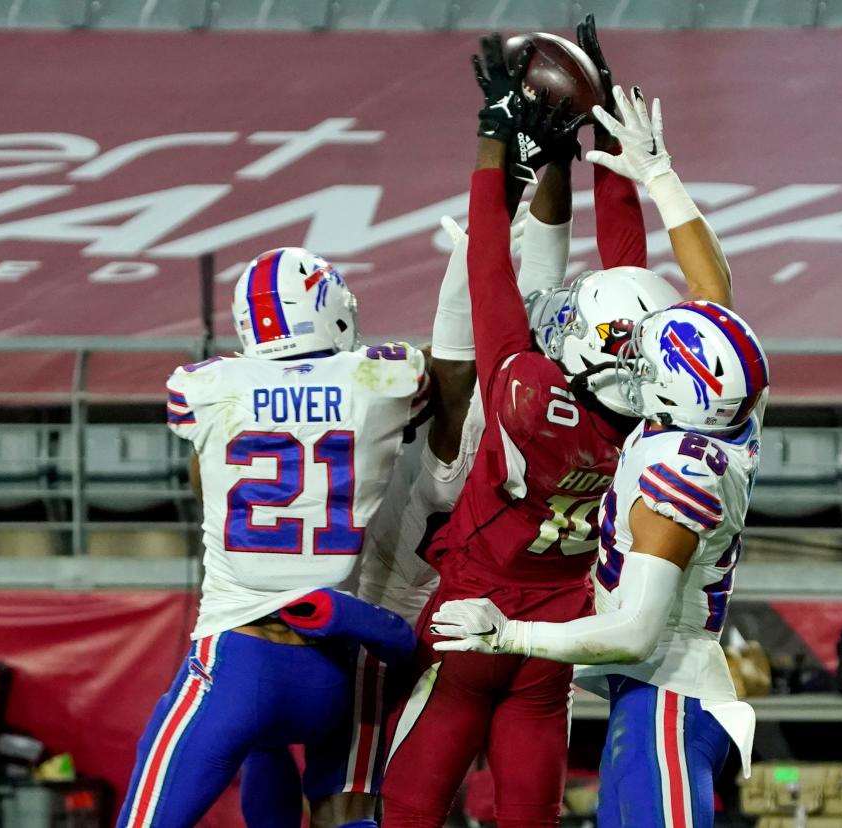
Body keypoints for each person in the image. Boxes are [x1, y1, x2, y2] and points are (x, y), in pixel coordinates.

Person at [379, 27, 739, 828]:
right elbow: (627, 262)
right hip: (563, 625)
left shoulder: (525, 389)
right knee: (531, 812)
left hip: (473, 612)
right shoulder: (659, 419)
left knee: (407, 804)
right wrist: (613, 163)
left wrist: (495, 134)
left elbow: (488, 267)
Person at [433, 295, 766, 828]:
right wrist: (670, 205)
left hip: (667, 705)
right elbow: (716, 290)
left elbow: (635, 632)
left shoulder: (675, 488)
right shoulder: (731, 422)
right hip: (657, 700)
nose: (632, 369)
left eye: (646, 364)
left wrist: (510, 636)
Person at [117, 248, 422, 828]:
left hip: (238, 656)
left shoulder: (208, 385)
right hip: (335, 663)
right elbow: (445, 375)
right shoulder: (381, 376)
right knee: (347, 809)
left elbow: (206, 478)